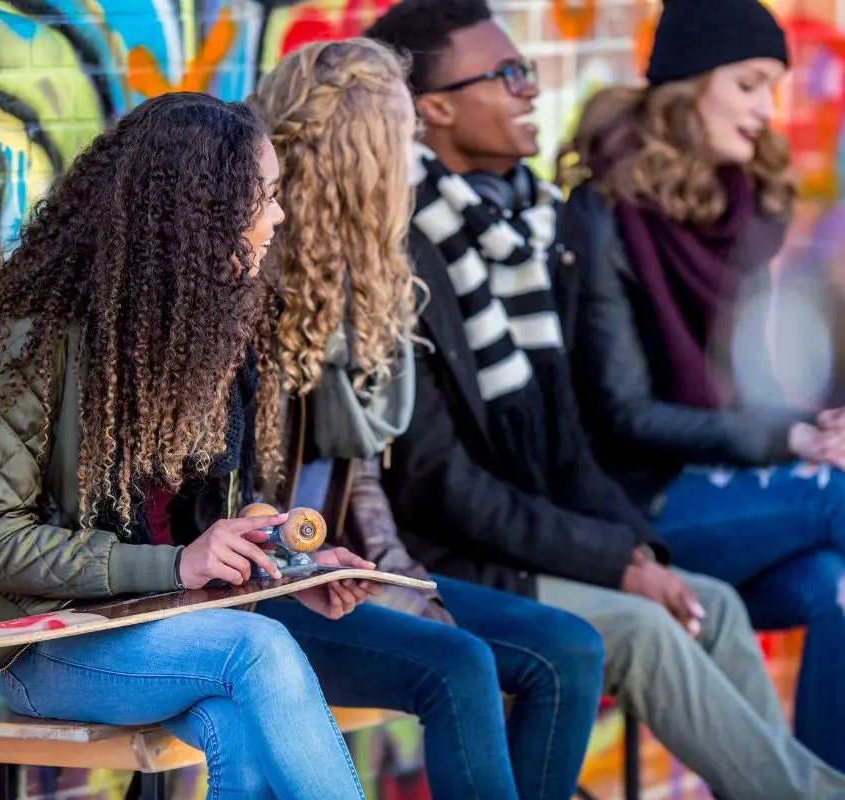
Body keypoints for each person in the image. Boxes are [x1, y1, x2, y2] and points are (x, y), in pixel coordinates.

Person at [364, 2, 845, 798]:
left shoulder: (528, 228)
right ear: (437, 109)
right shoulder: (402, 254)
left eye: (527, 71)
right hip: (452, 563)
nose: (531, 91)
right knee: (647, 626)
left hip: (535, 541)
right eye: (509, 75)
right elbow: (439, 486)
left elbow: (566, 446)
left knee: (713, 606)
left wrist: (637, 555)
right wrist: (618, 568)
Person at [556, 0, 845, 778]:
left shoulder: (745, 205)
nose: (766, 110)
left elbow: (751, 391)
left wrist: (825, 425)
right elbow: (625, 415)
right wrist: (798, 443)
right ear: (689, 83)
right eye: (748, 84)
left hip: (727, 490)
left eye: (773, 86)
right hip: (631, 506)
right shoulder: (601, 215)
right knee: (838, 494)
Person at [0, 92, 369, 799]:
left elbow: (199, 538)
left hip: (169, 626)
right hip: (47, 643)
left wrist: (287, 565)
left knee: (237, 727)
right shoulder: (43, 336)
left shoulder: (213, 330)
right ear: (194, 213)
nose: (278, 217)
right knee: (257, 651)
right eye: (262, 197)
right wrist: (177, 562)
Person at [247, 38, 606, 800]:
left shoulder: (370, 273)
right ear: (361, 156)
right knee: (461, 665)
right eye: (402, 139)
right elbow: (237, 491)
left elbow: (359, 473)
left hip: (350, 565)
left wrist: (403, 580)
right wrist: (372, 583)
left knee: (567, 652)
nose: (415, 160)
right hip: (273, 585)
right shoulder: (259, 283)